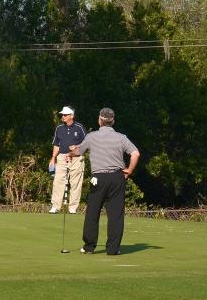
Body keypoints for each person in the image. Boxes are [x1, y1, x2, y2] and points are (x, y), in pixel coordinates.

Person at [69, 107, 139, 255]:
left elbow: (78, 152)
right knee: (115, 215)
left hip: (98, 178)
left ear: (100, 120)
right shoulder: (121, 137)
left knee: (93, 212)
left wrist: (70, 152)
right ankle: (113, 249)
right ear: (113, 121)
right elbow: (135, 153)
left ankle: (89, 247)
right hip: (117, 177)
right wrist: (130, 170)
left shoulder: (91, 136)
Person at [48, 106, 86, 214]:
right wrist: (53, 158)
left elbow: (87, 143)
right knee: (58, 181)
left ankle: (73, 207)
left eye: (65, 115)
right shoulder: (59, 128)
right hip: (62, 157)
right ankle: (55, 206)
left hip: (76, 158)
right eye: (62, 115)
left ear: (71, 116)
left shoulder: (79, 127)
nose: (63, 116)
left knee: (75, 183)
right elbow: (56, 144)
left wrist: (77, 146)